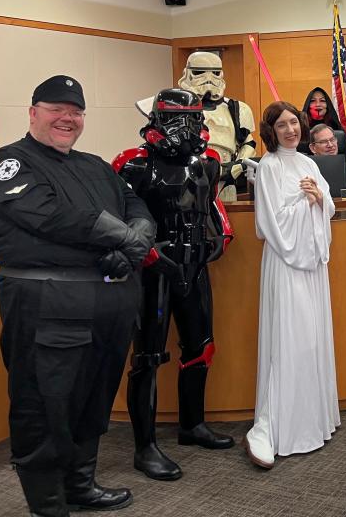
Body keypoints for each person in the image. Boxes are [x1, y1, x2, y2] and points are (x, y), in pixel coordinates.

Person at [0, 75, 155, 516]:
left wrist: (136, 240)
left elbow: (136, 207)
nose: (66, 118)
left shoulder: (95, 165)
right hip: (48, 310)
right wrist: (122, 244)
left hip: (107, 308)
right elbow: (53, 217)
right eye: (56, 109)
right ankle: (48, 504)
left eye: (75, 112)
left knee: (93, 399)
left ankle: (80, 485)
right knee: (44, 404)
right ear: (33, 112)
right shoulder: (10, 163)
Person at [113, 89, 235, 481]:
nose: (191, 128)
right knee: (147, 357)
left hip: (195, 262)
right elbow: (119, 219)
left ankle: (191, 424)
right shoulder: (131, 164)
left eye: (196, 119)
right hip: (151, 270)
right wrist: (146, 252)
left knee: (201, 347)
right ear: (159, 119)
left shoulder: (209, 160)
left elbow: (211, 202)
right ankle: (144, 447)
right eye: (181, 119)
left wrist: (224, 233)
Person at [244, 102, 339, 469]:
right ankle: (279, 425)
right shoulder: (268, 167)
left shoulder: (308, 162)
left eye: (294, 123)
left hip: (311, 263)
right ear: (271, 130)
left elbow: (327, 206)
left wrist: (317, 199)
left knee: (311, 337)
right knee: (289, 339)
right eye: (282, 125)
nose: (290, 130)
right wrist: (307, 200)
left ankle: (312, 419)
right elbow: (271, 223)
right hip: (286, 264)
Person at [177, 51, 256, 201]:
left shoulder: (238, 109)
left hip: (225, 178)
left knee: (225, 220)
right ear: (187, 73)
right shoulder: (175, 108)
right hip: (186, 178)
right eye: (199, 72)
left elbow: (249, 143)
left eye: (215, 73)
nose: (208, 78)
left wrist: (236, 166)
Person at [302, 86, 346, 165]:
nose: (318, 104)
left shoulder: (336, 127)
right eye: (313, 101)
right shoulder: (301, 130)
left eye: (322, 101)